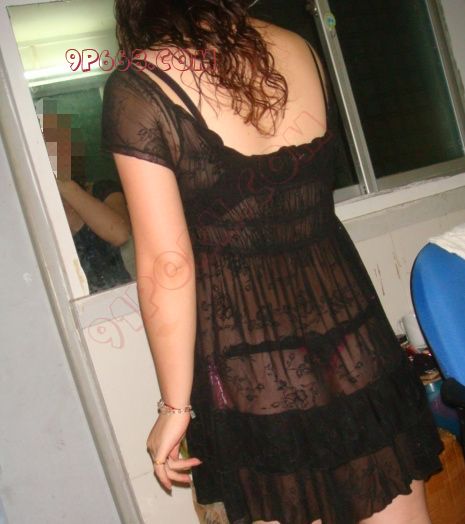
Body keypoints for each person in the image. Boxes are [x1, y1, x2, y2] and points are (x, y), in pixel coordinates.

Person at [101, 2, 444, 523]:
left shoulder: (140, 84)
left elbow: (168, 265)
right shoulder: (298, 46)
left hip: (251, 364)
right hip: (353, 337)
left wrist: (174, 407)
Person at [39, 101, 133, 293]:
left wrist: (62, 181)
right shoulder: (35, 209)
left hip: (122, 300)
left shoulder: (102, 190)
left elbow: (120, 234)